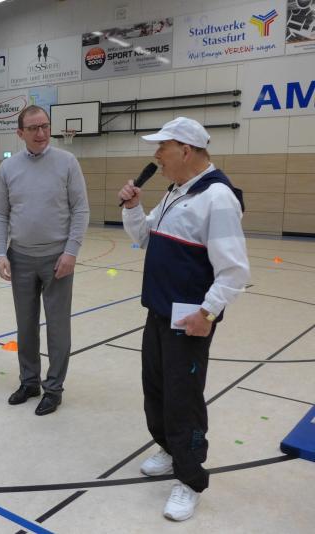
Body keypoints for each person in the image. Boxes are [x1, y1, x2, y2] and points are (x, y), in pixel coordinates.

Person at [117, 117, 250, 522]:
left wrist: (207, 313)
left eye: (163, 147)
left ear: (186, 151)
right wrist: (133, 207)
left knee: (183, 399)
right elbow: (143, 237)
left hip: (190, 320)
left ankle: (190, 480)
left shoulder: (218, 197)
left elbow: (234, 271)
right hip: (159, 312)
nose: (157, 155)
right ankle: (168, 448)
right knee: (156, 390)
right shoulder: (176, 192)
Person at [0, 105, 90, 415]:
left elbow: (81, 209)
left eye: (45, 126)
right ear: (20, 133)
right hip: (20, 258)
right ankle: (29, 382)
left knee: (58, 328)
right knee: (25, 326)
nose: (41, 133)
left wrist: (71, 252)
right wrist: (0, 252)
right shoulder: (7, 168)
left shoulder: (67, 162)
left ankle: (54, 388)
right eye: (33, 128)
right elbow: (0, 213)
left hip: (57, 259)